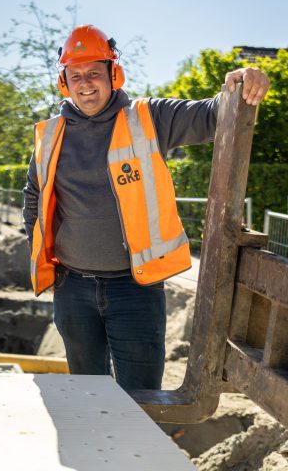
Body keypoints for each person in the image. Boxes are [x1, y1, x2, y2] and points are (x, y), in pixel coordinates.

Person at [23, 25, 270, 389]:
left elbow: (211, 115)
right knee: (86, 397)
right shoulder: (51, 134)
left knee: (141, 401)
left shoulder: (148, 117)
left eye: (94, 73)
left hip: (135, 288)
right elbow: (33, 195)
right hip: (73, 288)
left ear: (113, 73)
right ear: (64, 82)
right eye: (75, 76)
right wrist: (47, 256)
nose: (85, 84)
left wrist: (240, 83)